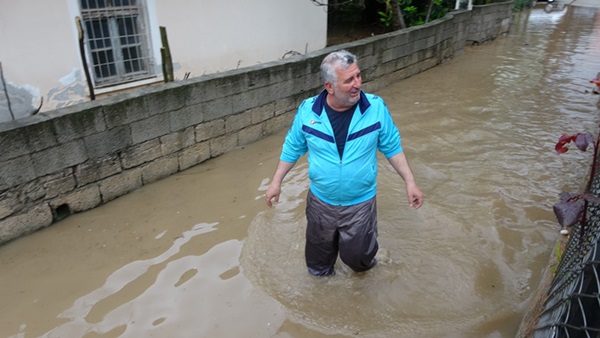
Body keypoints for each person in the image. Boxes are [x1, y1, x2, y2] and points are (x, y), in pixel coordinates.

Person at [265, 50, 423, 277]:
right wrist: (276, 182)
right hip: (321, 203)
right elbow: (293, 147)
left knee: (359, 260)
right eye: (349, 80)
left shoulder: (375, 108)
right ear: (329, 87)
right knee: (318, 265)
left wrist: (410, 182)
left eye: (358, 76)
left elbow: (391, 146)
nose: (357, 84)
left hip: (360, 204)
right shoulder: (308, 111)